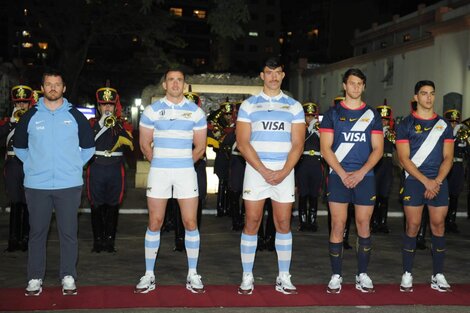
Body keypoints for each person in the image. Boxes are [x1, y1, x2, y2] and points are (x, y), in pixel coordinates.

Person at [14, 69, 95, 296]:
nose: (52, 88)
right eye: (48, 84)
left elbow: (89, 147)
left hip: (68, 185)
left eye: (57, 84)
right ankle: (34, 278)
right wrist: (32, 164)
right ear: (42, 88)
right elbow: (19, 147)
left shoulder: (75, 116)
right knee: (37, 233)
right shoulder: (30, 116)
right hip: (36, 186)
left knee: (68, 233)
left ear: (64, 88)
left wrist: (74, 166)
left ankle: (68, 276)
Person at [236, 57, 305, 295]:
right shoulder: (248, 105)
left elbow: (298, 144)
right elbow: (242, 143)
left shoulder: (294, 106)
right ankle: (247, 275)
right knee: (252, 223)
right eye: (269, 72)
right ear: (262, 75)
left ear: (283, 75)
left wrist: (284, 171)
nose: (273, 76)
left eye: (277, 72)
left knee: (283, 224)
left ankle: (283, 276)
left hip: (284, 172)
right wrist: (264, 170)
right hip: (256, 173)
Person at [135, 68, 207, 294]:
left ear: (184, 85)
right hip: (159, 172)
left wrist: (184, 163)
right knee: (155, 222)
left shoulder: (196, 112)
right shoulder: (152, 110)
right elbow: (145, 144)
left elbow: (201, 147)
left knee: (190, 223)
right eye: (171, 80)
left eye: (179, 80)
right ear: (164, 84)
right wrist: (161, 163)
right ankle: (149, 274)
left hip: (186, 173)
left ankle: (192, 273)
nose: (175, 84)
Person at [320, 68, 383, 294]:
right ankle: (336, 275)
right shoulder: (332, 114)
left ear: (363, 87)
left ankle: (362, 274)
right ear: (344, 86)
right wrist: (343, 173)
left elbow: (378, 150)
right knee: (337, 225)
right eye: (352, 83)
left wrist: (360, 172)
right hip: (338, 177)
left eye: (360, 84)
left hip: (365, 178)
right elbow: (325, 148)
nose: (356, 87)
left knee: (364, 225)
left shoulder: (372, 115)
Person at [396, 80, 454, 293]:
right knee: (412, 226)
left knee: (438, 226)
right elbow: (404, 158)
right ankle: (407, 273)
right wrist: (425, 181)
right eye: (423, 93)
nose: (428, 97)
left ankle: (437, 274)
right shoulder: (405, 125)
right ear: (415, 97)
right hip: (414, 181)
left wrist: (436, 181)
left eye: (431, 93)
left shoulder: (444, 125)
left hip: (438, 182)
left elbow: (448, 157)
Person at [87, 86, 134, 253]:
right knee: (96, 205)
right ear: (99, 107)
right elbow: (84, 141)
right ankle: (97, 241)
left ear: (115, 107)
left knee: (113, 205)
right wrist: (101, 125)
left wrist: (117, 125)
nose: (107, 108)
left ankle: (109, 241)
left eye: (110, 105)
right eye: (103, 105)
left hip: (115, 169)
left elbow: (130, 144)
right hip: (97, 167)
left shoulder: (123, 124)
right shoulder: (92, 124)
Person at [1, 85, 34, 252]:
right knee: (15, 202)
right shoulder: (7, 123)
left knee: (28, 202)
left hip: (28, 164)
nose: (21, 106)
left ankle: (26, 239)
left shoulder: (33, 122)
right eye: (18, 102)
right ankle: (13, 240)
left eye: (24, 102)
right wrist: (11, 124)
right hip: (13, 165)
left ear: (30, 104)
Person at [296, 102, 322, 232]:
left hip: (316, 162)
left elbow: (327, 143)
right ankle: (302, 222)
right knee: (303, 193)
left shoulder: (319, 128)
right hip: (303, 162)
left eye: (312, 116)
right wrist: (308, 130)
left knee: (314, 193)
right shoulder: (300, 128)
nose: (309, 118)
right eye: (307, 116)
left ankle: (312, 221)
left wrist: (318, 132)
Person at [372, 104, 396, 233]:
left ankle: (383, 223)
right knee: (374, 195)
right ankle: (374, 222)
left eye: (386, 120)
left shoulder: (392, 133)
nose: (384, 122)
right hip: (377, 164)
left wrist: (392, 136)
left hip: (387, 164)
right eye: (381, 120)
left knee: (385, 195)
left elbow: (399, 147)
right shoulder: (373, 132)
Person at [443, 109, 466, 233]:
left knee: (455, 194)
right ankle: (443, 220)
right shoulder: (444, 134)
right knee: (445, 195)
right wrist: (453, 135)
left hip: (458, 167)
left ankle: (451, 221)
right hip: (447, 166)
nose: (454, 125)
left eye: (456, 123)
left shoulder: (462, 135)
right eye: (451, 122)